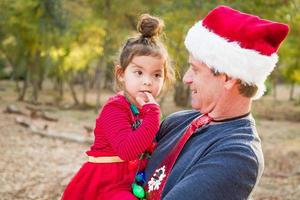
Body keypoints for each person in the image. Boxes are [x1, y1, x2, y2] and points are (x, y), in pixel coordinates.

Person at [144, 5, 289, 200]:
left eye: (195, 70)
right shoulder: (177, 121)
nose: (186, 78)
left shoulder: (238, 156)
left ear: (228, 78)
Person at [62, 14, 174, 200]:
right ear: (121, 74)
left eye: (156, 75)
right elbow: (127, 150)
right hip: (105, 185)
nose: (147, 82)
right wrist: (153, 115)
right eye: (138, 72)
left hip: (131, 183)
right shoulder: (115, 109)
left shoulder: (144, 110)